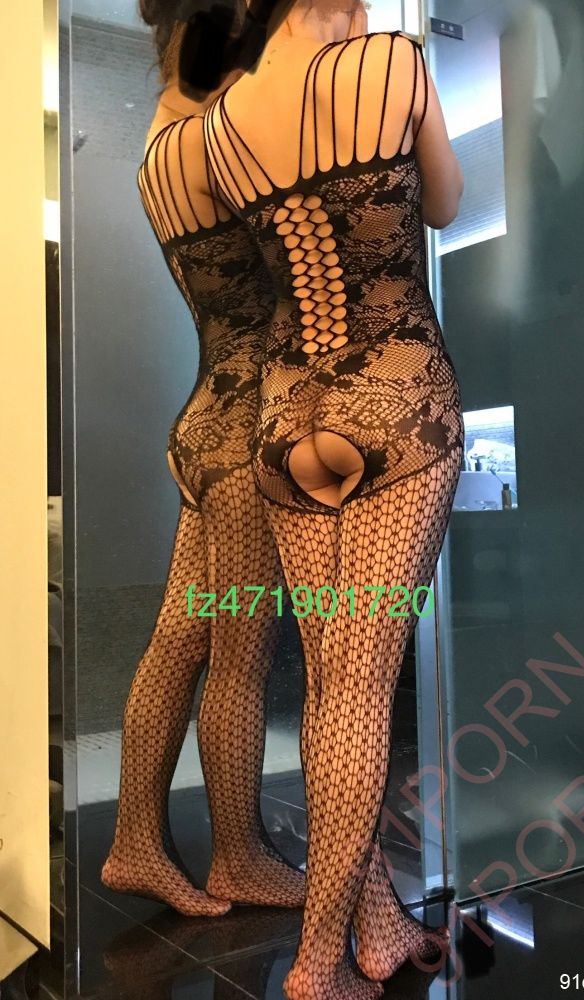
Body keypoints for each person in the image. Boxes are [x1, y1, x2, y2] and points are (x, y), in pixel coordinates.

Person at [201, 0, 465, 994]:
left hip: (284, 416)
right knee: (358, 688)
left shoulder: (220, 124)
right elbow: (445, 204)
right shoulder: (393, 64)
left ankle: (377, 922)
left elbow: (252, 276)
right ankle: (319, 966)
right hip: (398, 398)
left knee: (328, 684)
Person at [101, 0, 306, 917]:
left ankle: (135, 843)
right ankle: (239, 857)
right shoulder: (228, 130)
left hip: (203, 418)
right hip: (249, 421)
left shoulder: (162, 135)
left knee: (182, 638)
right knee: (239, 657)